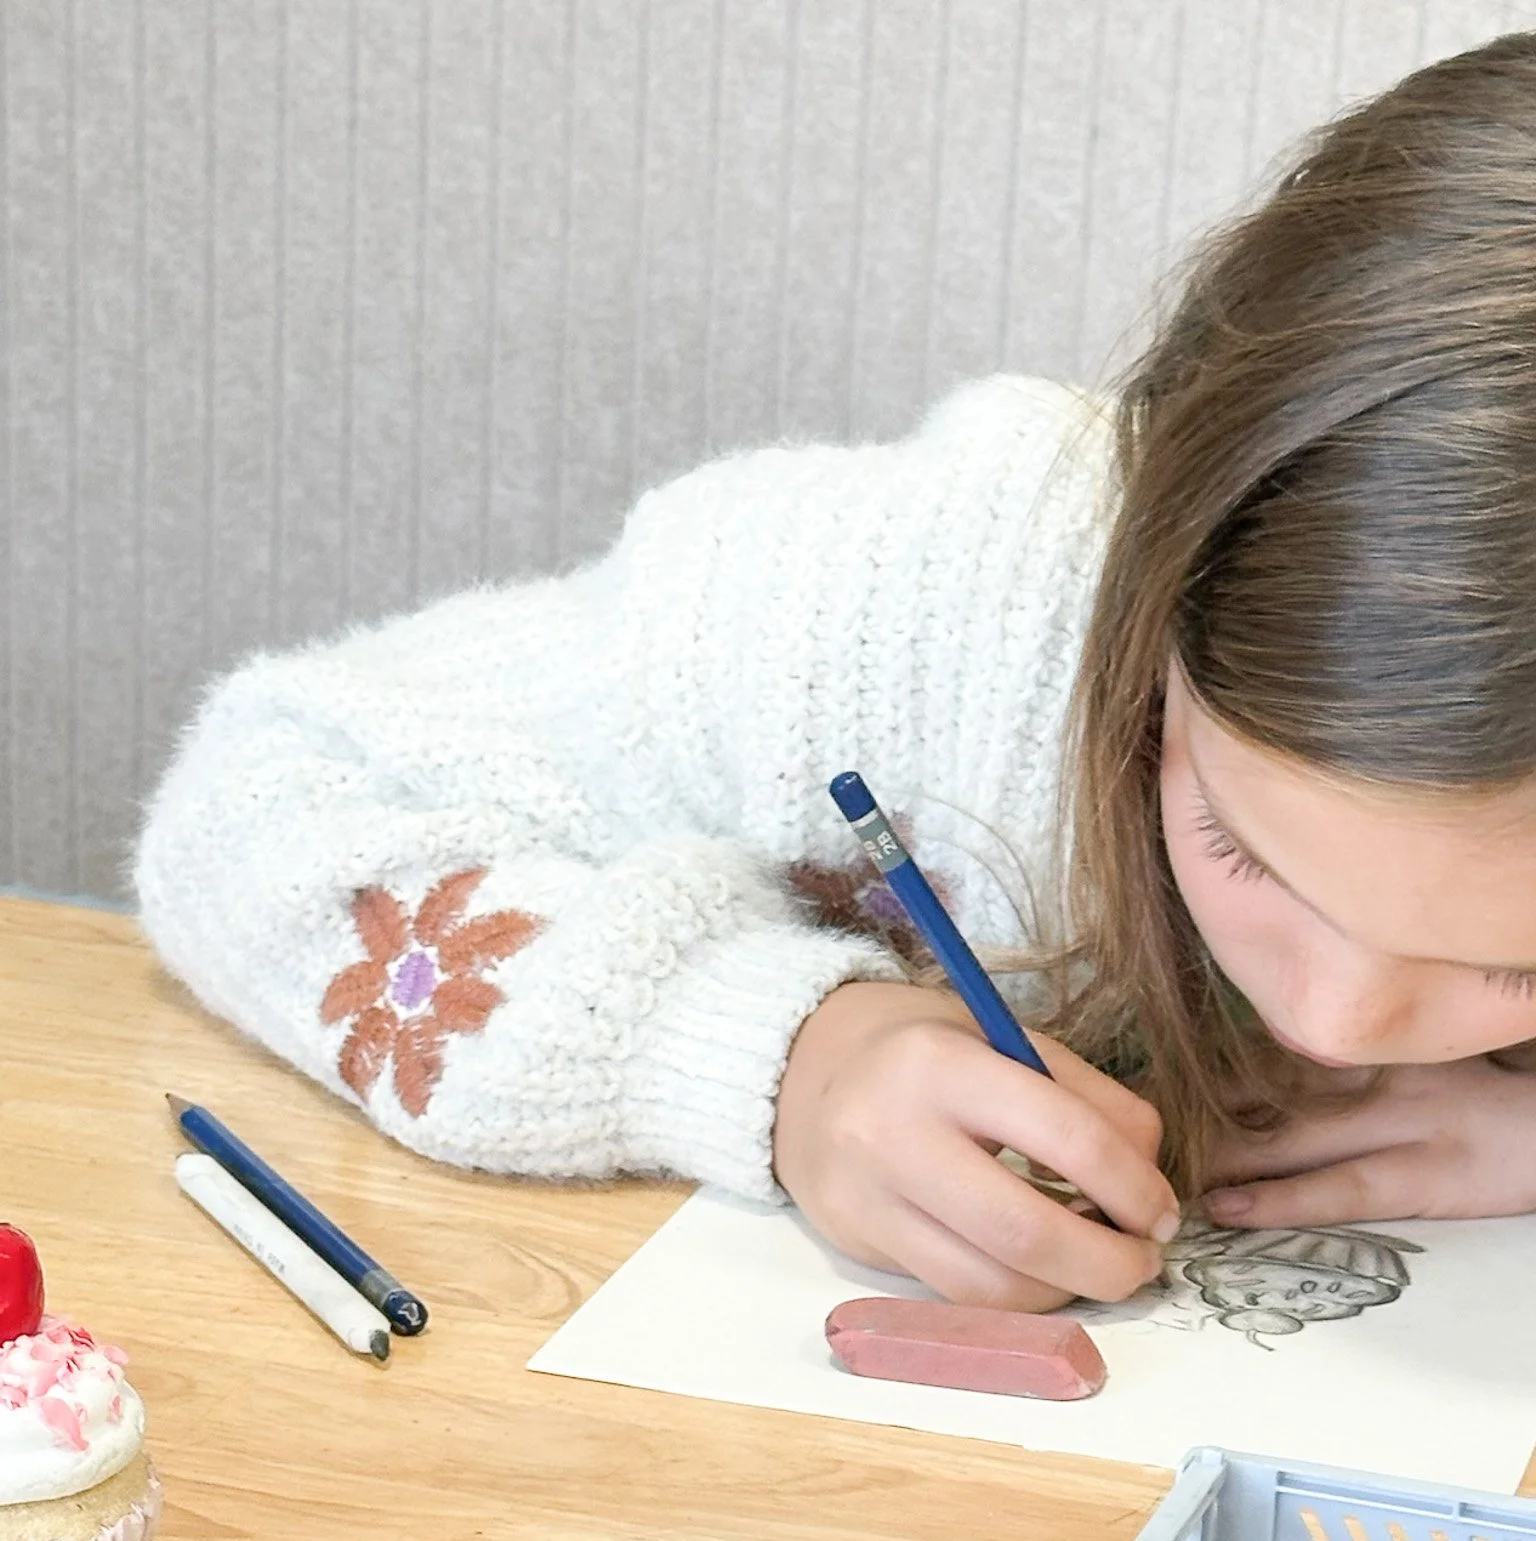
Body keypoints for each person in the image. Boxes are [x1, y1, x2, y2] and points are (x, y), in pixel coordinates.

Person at [137, 33, 1536, 1315]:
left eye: (1512, 966)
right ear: (1161, 576)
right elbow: (255, 802)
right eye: (1245, 850)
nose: (1334, 1016)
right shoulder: (907, 594)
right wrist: (774, 1058)